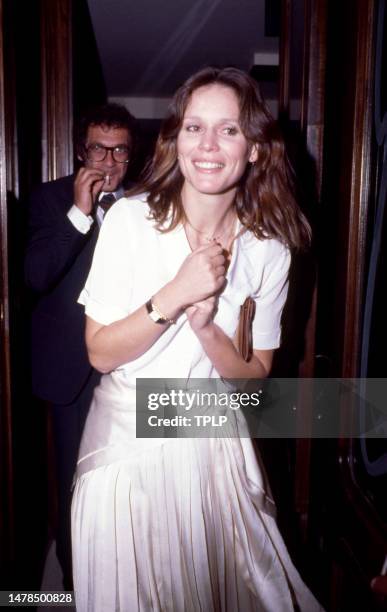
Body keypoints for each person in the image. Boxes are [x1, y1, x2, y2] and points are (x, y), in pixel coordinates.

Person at [71, 68, 323, 611]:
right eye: (194, 127)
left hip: (213, 450)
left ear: (254, 148)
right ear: (176, 140)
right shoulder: (132, 221)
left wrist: (208, 328)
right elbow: (100, 350)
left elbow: (254, 380)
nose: (208, 145)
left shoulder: (269, 248)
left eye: (228, 130)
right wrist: (176, 294)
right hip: (128, 451)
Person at [25, 102, 136, 589]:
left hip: (130, 366)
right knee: (76, 484)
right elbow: (35, 276)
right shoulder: (49, 199)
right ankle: (75, 586)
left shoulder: (144, 208)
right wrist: (79, 213)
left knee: (126, 484)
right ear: (79, 150)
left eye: (120, 151)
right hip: (71, 370)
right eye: (99, 149)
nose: (109, 162)